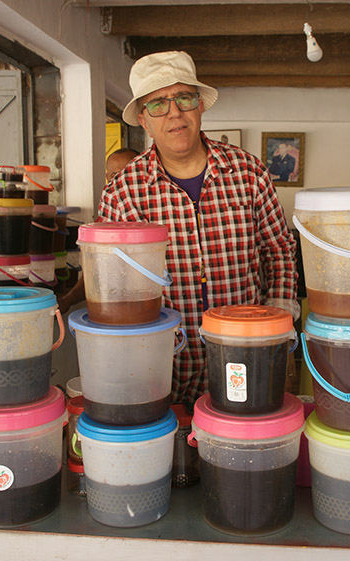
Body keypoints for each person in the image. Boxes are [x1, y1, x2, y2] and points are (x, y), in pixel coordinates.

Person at [80, 50, 299, 408]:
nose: (174, 113)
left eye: (184, 98)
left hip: (247, 356)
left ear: (200, 106)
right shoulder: (122, 193)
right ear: (143, 120)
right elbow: (113, 291)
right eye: (158, 104)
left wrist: (278, 331)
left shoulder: (249, 174)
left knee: (244, 438)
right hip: (161, 366)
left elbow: (279, 252)